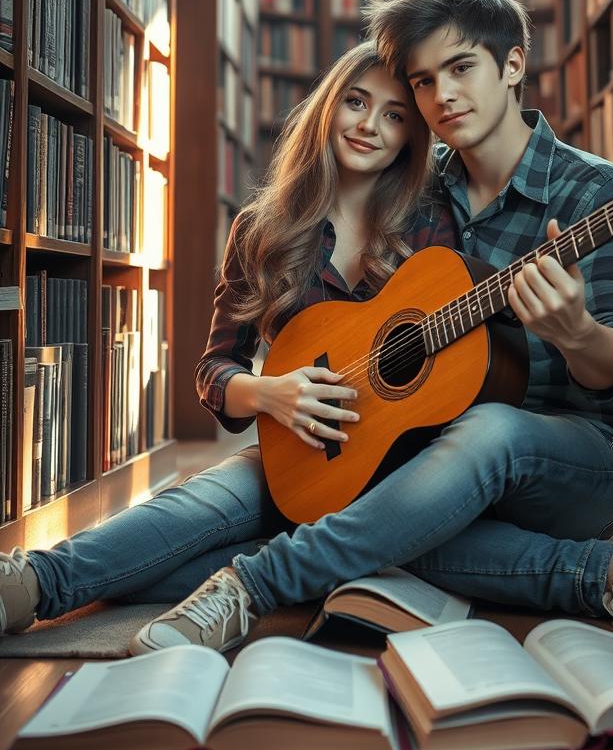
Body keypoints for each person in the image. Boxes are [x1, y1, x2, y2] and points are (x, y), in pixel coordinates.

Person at [0, 42, 455, 650]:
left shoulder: (429, 226)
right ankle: (25, 585)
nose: (369, 125)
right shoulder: (263, 228)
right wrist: (270, 394)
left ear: (411, 138)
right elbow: (215, 368)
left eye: (395, 115)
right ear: (328, 107)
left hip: (397, 472)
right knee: (192, 510)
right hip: (296, 453)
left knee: (159, 564)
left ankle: (265, 570)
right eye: (355, 101)